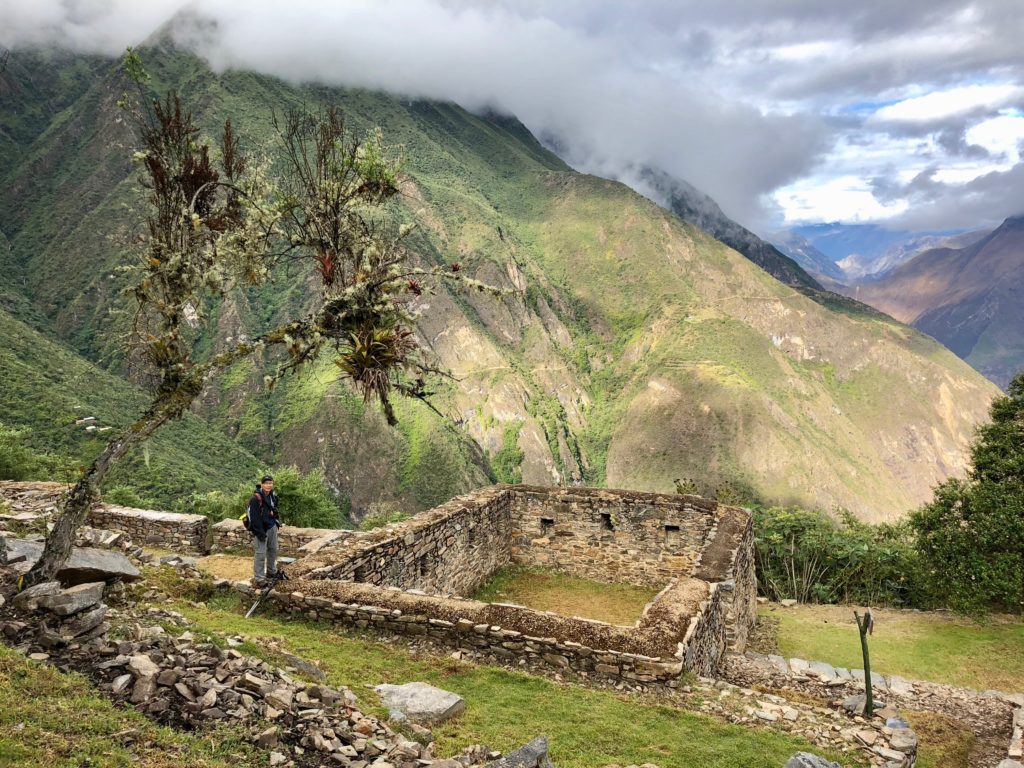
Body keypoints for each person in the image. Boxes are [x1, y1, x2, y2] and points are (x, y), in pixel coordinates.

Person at [249, 474, 281, 585]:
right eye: (266, 483)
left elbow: (275, 508)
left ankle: (271, 572)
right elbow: (254, 518)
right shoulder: (255, 499)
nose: (268, 485)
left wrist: (274, 514)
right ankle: (259, 578)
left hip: (272, 526)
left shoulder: (272, 496)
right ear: (262, 484)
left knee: (273, 550)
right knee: (260, 554)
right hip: (261, 530)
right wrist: (260, 533)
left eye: (270, 483)